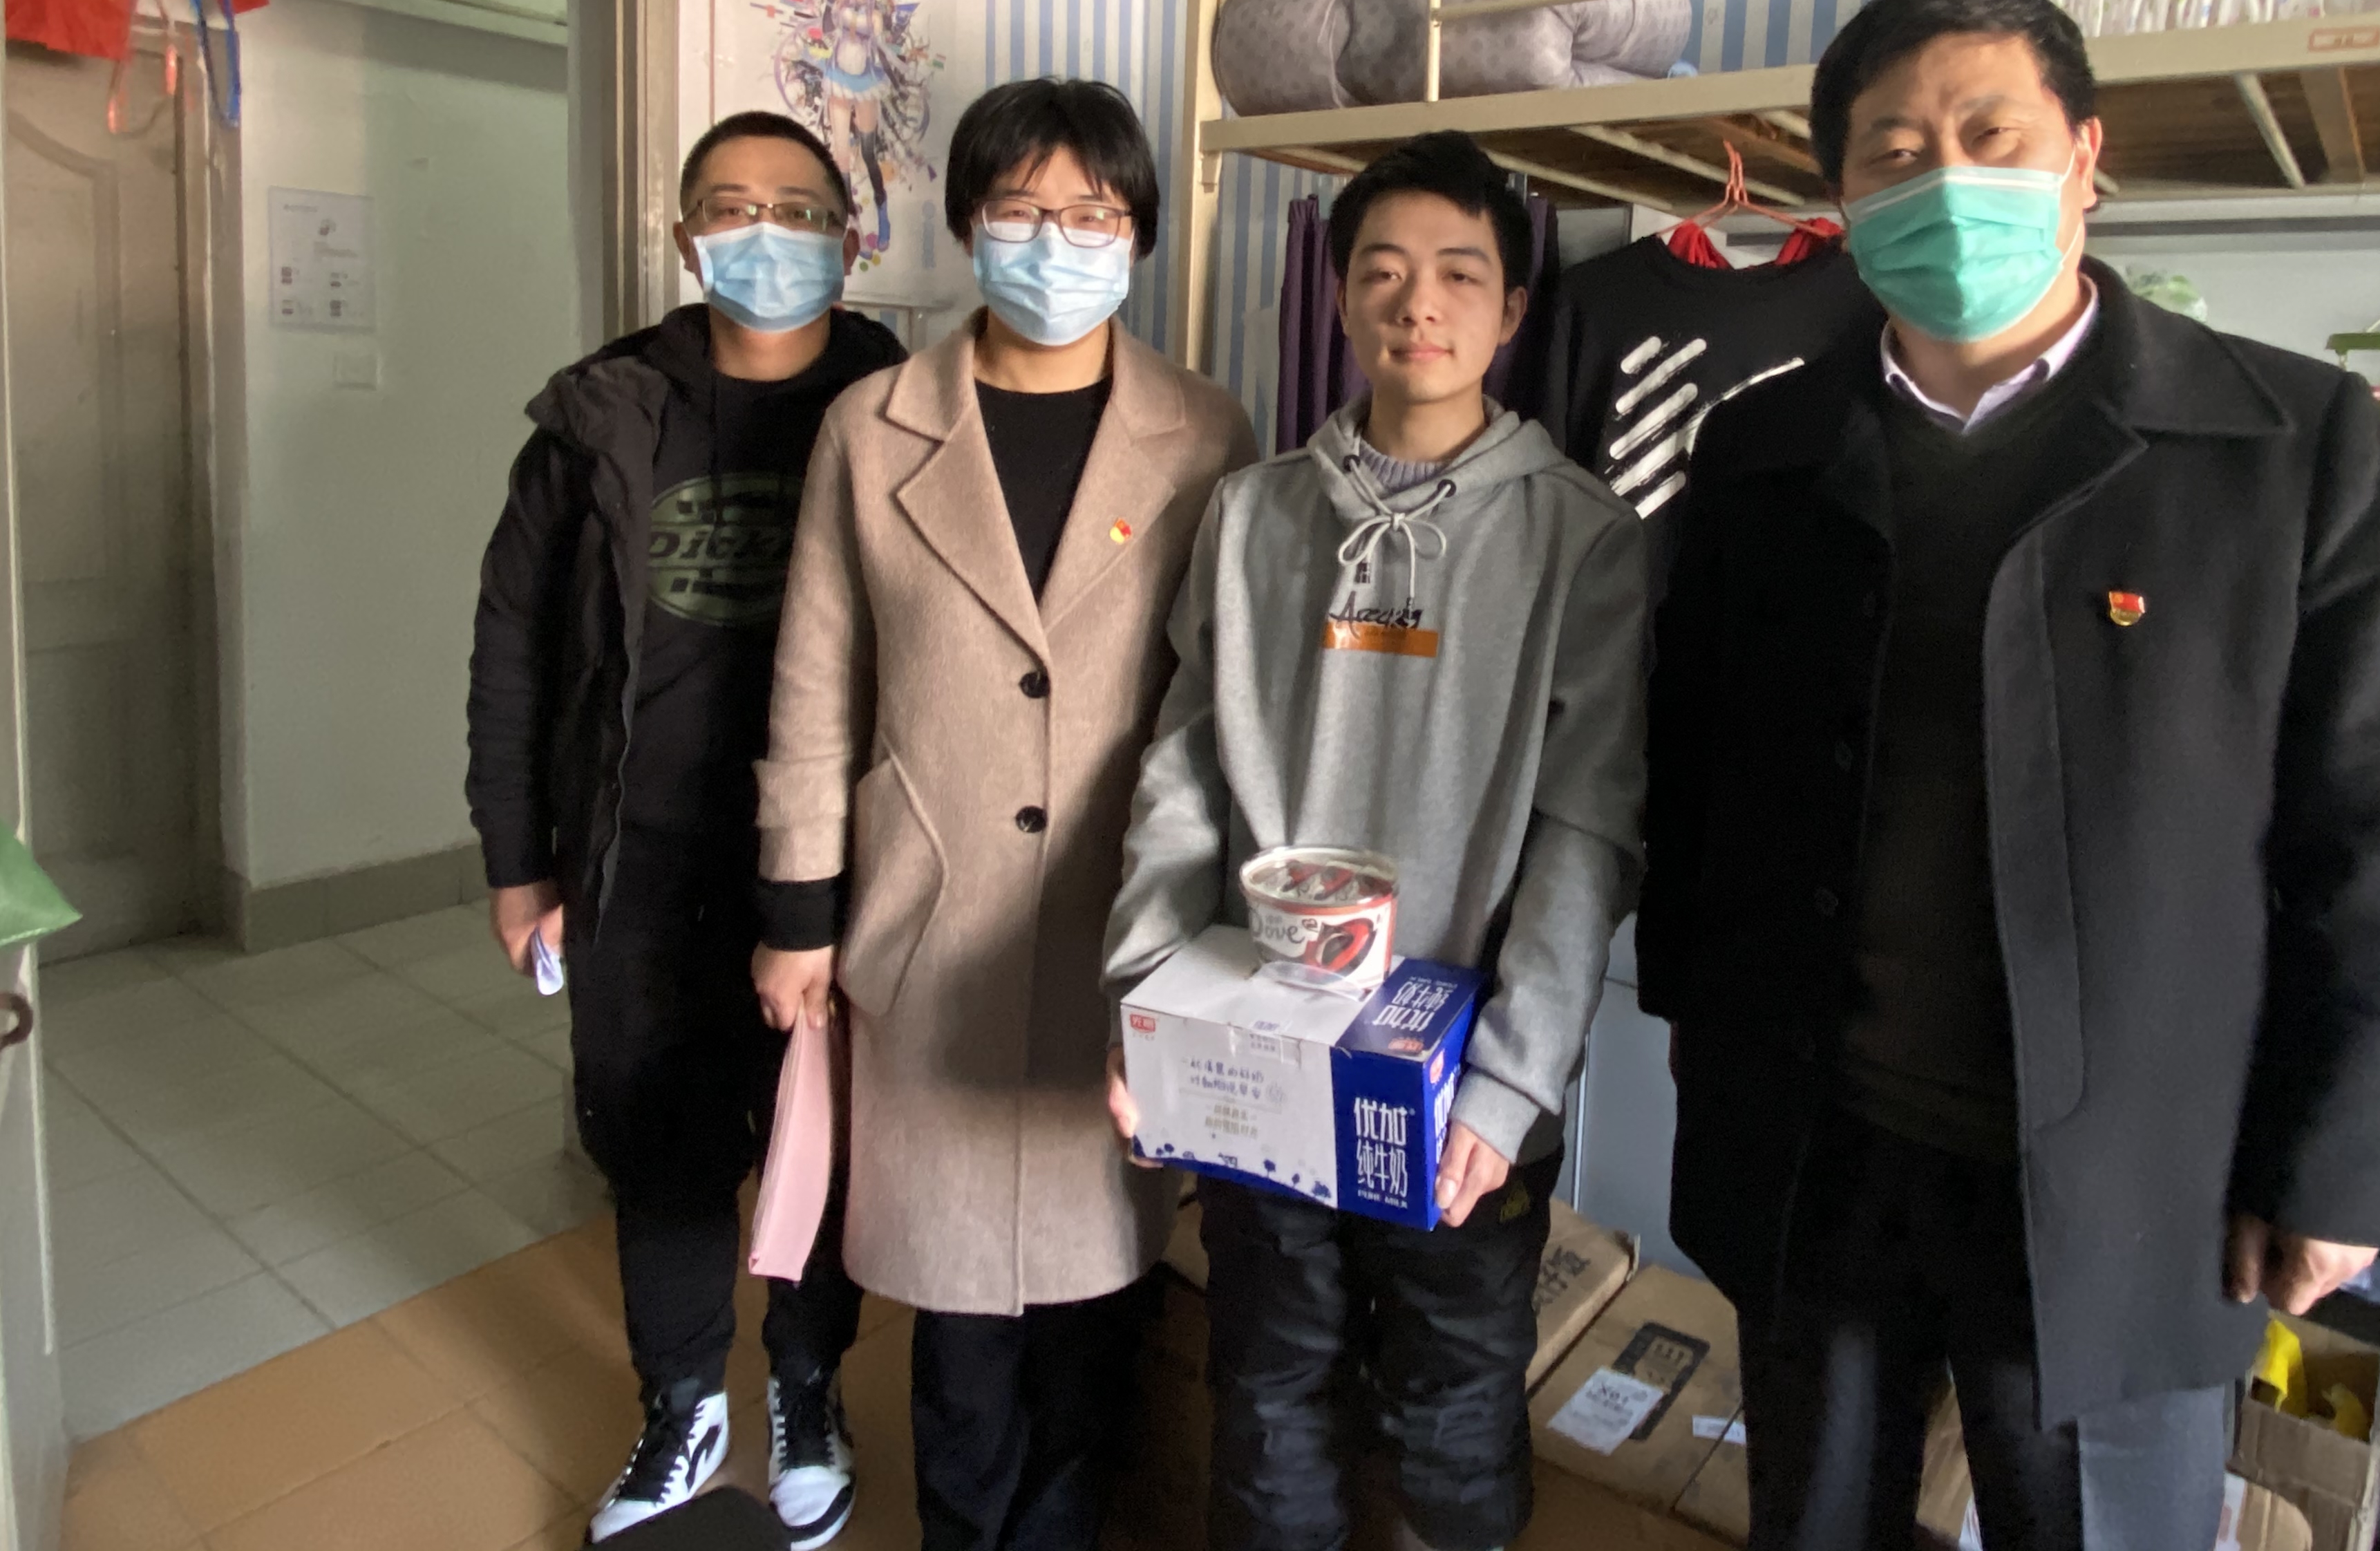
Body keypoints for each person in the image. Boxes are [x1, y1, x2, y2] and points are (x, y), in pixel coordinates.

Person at [1638, 0, 2380, 1551]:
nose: (1944, 179)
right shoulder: (1758, 449)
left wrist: (2340, 1166)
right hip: (1818, 1147)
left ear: (2085, 157)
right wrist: (1695, 1048)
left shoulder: (2287, 446)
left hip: (2133, 1183)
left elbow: (2374, 832)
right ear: (1842, 199)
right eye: (1893, 151)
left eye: (1990, 134)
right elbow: (1697, 768)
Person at [1102, 130, 1648, 1551]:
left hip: (1459, 1087)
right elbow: (1184, 769)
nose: (1421, 304)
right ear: (1340, 297)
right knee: (1269, 1384)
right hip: (1259, 1053)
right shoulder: (1253, 514)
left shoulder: (1584, 540)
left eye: (1461, 273)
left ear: (1512, 308)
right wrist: (1146, 1003)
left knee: (1450, 1414)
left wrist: (1509, 1085)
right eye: (1385, 272)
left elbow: (1586, 830)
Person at [749, 78, 1256, 1551]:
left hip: (1122, 924)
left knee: (1097, 1310)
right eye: (1024, 211)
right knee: (959, 1314)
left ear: (1138, 234)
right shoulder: (871, 426)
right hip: (928, 918)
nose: (1057, 243)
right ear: (969, 223)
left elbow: (1227, 692)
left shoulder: (1206, 433)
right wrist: (798, 916)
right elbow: (815, 680)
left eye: (1092, 214)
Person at [469, 110, 902, 1545]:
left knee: (817, 1144)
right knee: (659, 1146)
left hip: (832, 867)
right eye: (730, 206)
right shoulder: (601, 414)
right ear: (683, 236)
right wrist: (518, 862)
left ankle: (805, 1389)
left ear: (850, 240)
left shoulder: (904, 409)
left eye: (798, 208)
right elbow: (515, 649)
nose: (764, 234)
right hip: (638, 856)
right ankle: (681, 1403)